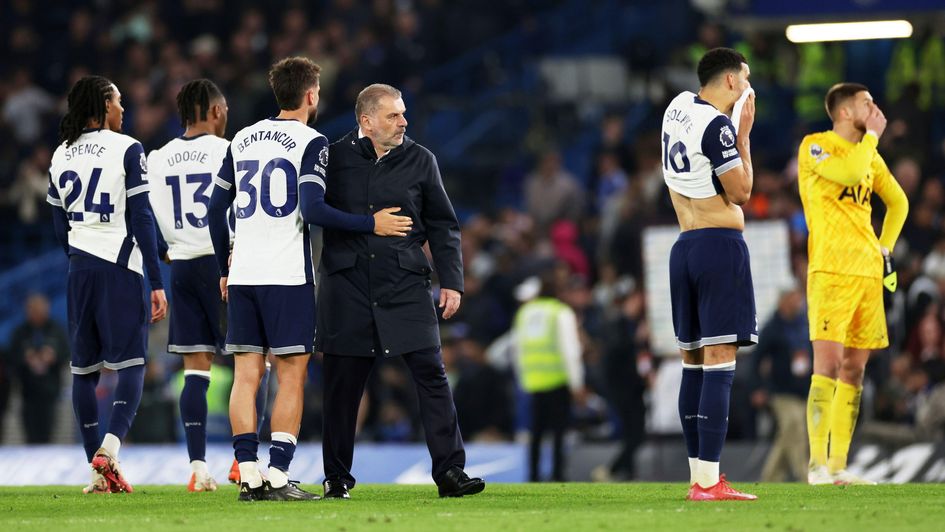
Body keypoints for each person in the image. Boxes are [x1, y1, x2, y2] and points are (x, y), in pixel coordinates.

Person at [207, 58, 411, 502]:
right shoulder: (310, 141)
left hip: (243, 275)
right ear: (312, 95)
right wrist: (369, 223)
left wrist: (225, 267)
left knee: (246, 376)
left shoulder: (240, 138)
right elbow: (313, 209)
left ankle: (248, 473)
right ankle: (278, 474)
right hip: (286, 275)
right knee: (291, 375)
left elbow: (212, 211)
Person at [317, 83, 484, 499]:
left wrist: (452, 281)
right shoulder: (332, 158)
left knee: (432, 376)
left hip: (406, 286)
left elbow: (444, 224)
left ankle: (450, 472)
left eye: (403, 114)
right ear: (366, 121)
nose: (403, 122)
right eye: (394, 116)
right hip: (348, 287)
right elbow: (312, 212)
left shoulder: (420, 159)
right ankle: (337, 478)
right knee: (342, 388)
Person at [46, 75, 168, 494]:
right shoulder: (128, 148)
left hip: (79, 268)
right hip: (121, 267)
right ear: (102, 107)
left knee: (84, 370)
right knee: (132, 363)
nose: (123, 108)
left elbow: (58, 225)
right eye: (118, 101)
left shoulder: (60, 154)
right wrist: (156, 279)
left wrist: (79, 258)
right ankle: (110, 450)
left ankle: (96, 469)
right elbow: (142, 217)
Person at [798, 82, 909, 485]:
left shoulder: (870, 155)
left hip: (866, 272)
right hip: (830, 270)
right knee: (826, 364)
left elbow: (899, 202)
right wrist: (875, 138)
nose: (875, 109)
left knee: (855, 370)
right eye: (867, 103)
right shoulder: (815, 146)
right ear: (845, 112)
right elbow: (848, 171)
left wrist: (885, 248)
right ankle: (815, 466)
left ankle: (840, 466)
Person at [661, 48, 758, 501]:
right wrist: (744, 134)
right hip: (719, 247)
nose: (749, 85)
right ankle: (710, 482)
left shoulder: (676, 108)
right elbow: (741, 193)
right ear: (732, 82)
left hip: (683, 246)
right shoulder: (718, 126)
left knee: (692, 364)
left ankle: (699, 478)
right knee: (720, 363)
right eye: (746, 77)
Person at [148, 78, 243, 492]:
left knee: (194, 371)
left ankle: (199, 469)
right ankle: (244, 461)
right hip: (224, 264)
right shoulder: (229, 150)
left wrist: (164, 249)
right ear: (217, 111)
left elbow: (143, 215)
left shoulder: (158, 157)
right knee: (251, 363)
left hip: (182, 266)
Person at [511, 272, 585, 482]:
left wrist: (522, 379)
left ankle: (533, 476)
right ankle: (558, 475)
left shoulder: (524, 312)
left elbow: (517, 350)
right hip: (557, 380)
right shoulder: (560, 312)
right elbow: (570, 350)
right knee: (559, 432)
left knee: (535, 433)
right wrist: (577, 383)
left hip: (532, 382)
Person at [750, 287, 811, 482]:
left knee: (787, 435)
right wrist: (757, 388)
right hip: (781, 391)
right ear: (783, 301)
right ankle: (805, 474)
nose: (798, 302)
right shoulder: (772, 328)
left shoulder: (803, 324)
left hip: (802, 390)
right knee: (795, 427)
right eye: (794, 298)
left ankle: (770, 478)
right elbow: (756, 360)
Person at [7, 294, 69, 443]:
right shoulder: (20, 332)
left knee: (48, 431)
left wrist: (53, 356)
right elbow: (11, 357)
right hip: (27, 390)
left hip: (50, 390)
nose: (37, 314)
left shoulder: (56, 329)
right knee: (30, 432)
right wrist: (26, 357)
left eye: (40, 310)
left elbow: (66, 353)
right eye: (33, 310)